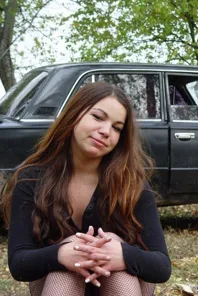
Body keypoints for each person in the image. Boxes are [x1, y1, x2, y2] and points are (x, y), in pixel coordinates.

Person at [0, 82, 171, 296]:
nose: (106, 131)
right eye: (98, 117)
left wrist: (122, 255)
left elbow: (162, 266)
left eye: (117, 128)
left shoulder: (131, 184)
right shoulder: (32, 179)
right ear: (74, 115)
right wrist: (62, 255)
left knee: (114, 252)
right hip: (56, 285)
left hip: (120, 286)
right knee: (73, 252)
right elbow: (19, 263)